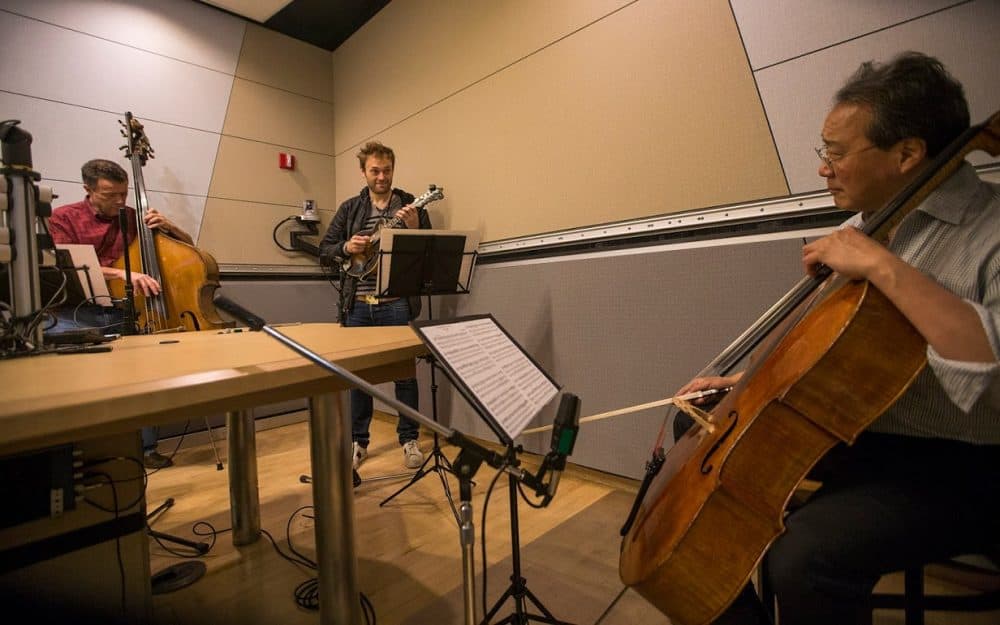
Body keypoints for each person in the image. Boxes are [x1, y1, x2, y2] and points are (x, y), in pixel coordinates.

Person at [673, 51, 999, 624]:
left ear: (907, 154)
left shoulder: (988, 232)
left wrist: (883, 265)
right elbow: (830, 355)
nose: (825, 168)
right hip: (864, 429)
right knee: (698, 420)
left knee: (803, 556)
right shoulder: (867, 224)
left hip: (964, 458)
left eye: (837, 152)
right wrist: (749, 384)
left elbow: (992, 364)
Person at [49, 158, 194, 470]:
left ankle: (146, 448)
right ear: (88, 189)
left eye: (123, 194)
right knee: (70, 379)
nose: (120, 201)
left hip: (122, 310)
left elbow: (189, 247)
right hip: (76, 310)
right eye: (110, 195)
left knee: (142, 375)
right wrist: (120, 275)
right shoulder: (64, 217)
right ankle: (76, 452)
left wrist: (169, 226)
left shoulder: (132, 217)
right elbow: (63, 265)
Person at [319, 141, 431, 470]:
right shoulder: (350, 209)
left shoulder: (411, 207)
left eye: (387, 170)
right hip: (357, 304)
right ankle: (358, 441)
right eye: (375, 171)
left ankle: (409, 438)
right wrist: (345, 245)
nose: (382, 176)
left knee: (405, 376)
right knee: (358, 377)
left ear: (393, 170)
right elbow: (325, 249)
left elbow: (425, 257)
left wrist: (413, 229)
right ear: (364, 172)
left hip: (395, 303)